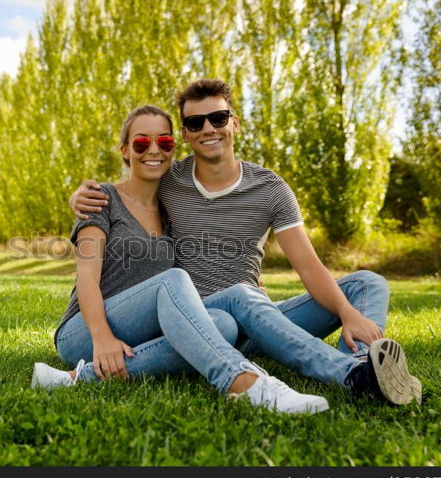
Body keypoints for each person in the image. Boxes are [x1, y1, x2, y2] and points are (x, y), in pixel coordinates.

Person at [70, 80, 421, 406]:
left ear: (234, 123)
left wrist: (347, 312)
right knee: (238, 299)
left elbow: (309, 266)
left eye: (218, 118)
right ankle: (353, 376)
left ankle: (364, 366)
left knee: (367, 283)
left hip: (259, 315)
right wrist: (83, 196)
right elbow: (129, 188)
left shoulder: (271, 189)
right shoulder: (169, 179)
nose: (208, 128)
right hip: (205, 318)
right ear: (188, 137)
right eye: (195, 123)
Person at [32, 105, 330, 414]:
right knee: (173, 280)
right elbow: (86, 278)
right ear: (125, 150)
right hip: (85, 332)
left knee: (223, 326)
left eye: (164, 142)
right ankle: (244, 382)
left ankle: (79, 378)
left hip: (142, 333)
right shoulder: (101, 199)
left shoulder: (170, 211)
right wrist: (102, 336)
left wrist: (254, 282)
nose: (153, 150)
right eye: (141, 142)